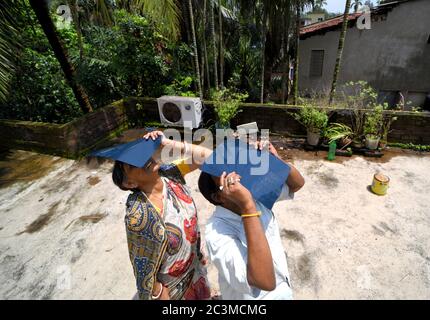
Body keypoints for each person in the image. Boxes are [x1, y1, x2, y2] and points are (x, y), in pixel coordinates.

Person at [112, 130, 212, 300]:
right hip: (174, 290)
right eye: (132, 164)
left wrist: (166, 143)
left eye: (140, 155)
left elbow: (207, 156)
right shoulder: (139, 214)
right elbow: (142, 266)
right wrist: (157, 291)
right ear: (130, 183)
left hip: (196, 269)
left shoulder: (171, 174)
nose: (142, 159)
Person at [198, 140, 305, 299]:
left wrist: (275, 160)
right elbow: (264, 282)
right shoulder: (217, 231)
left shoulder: (255, 196)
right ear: (218, 196)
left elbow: (297, 184)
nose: (237, 173)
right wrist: (247, 206)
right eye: (224, 174)